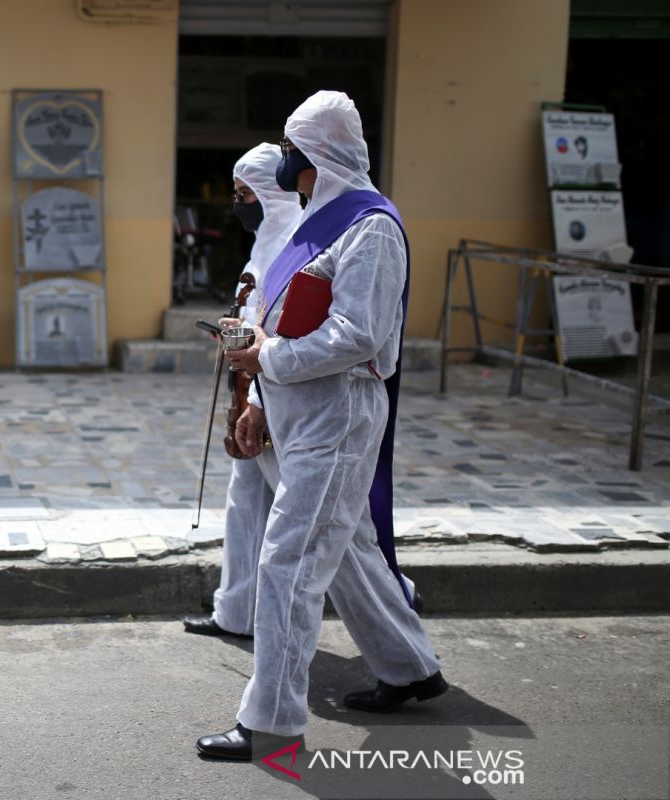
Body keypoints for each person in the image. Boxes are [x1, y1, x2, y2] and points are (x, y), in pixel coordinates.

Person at [196, 91, 446, 761]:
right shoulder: (317, 220)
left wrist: (267, 360)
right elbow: (282, 320)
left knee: (289, 566)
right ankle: (410, 667)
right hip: (301, 415)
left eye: (289, 149)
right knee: (343, 554)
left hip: (337, 420)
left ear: (319, 155)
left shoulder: (371, 228)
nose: (280, 162)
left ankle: (271, 721)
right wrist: (257, 405)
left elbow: (358, 335)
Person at [182, 143, 302, 639]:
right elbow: (256, 314)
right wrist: (232, 331)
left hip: (276, 389)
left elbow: (288, 322)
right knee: (244, 501)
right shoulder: (264, 243)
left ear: (272, 195)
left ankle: (392, 598)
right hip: (245, 385)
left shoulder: (295, 241)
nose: (237, 205)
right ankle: (235, 612)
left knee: (298, 512)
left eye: (243, 194)